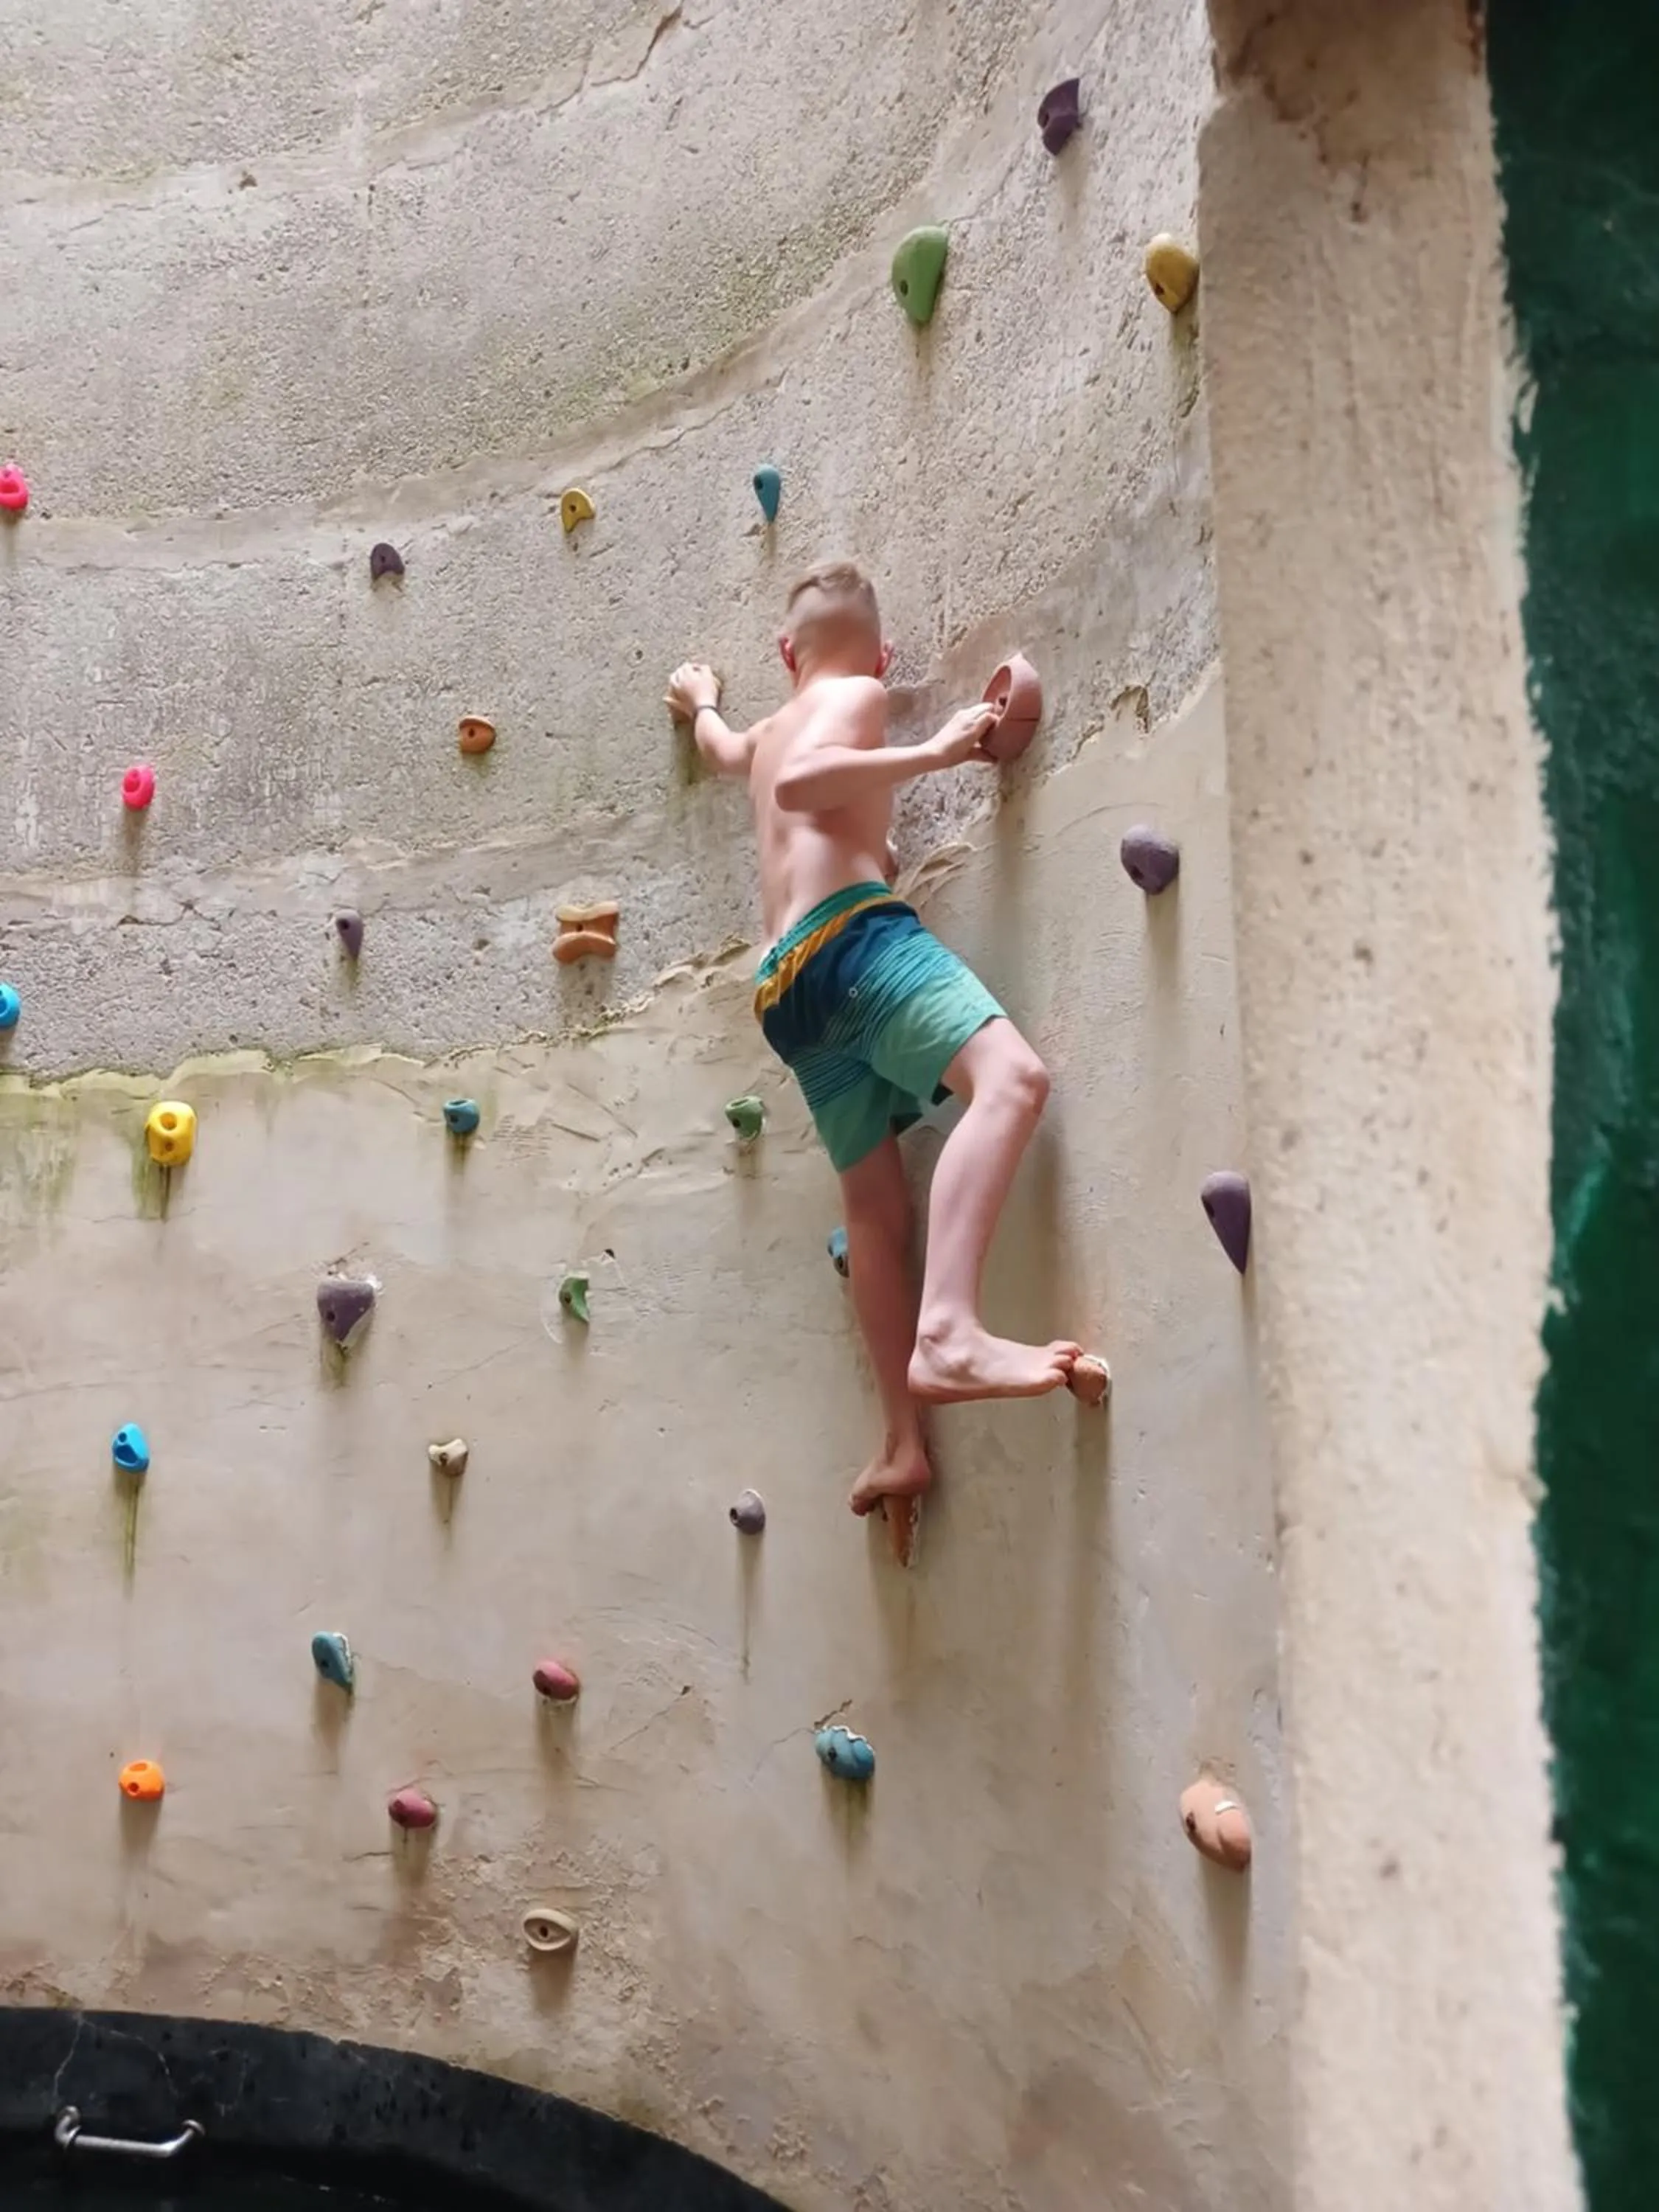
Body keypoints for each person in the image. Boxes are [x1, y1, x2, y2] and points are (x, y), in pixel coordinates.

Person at [667, 561, 1082, 1543]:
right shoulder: (856, 696)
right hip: (849, 941)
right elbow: (815, 790)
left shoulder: (764, 729)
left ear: (784, 655)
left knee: (873, 1210)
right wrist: (933, 750)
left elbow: (724, 750)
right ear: (881, 655)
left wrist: (700, 700)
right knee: (1011, 1082)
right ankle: (948, 1333)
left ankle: (900, 1441)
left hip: (784, 996)